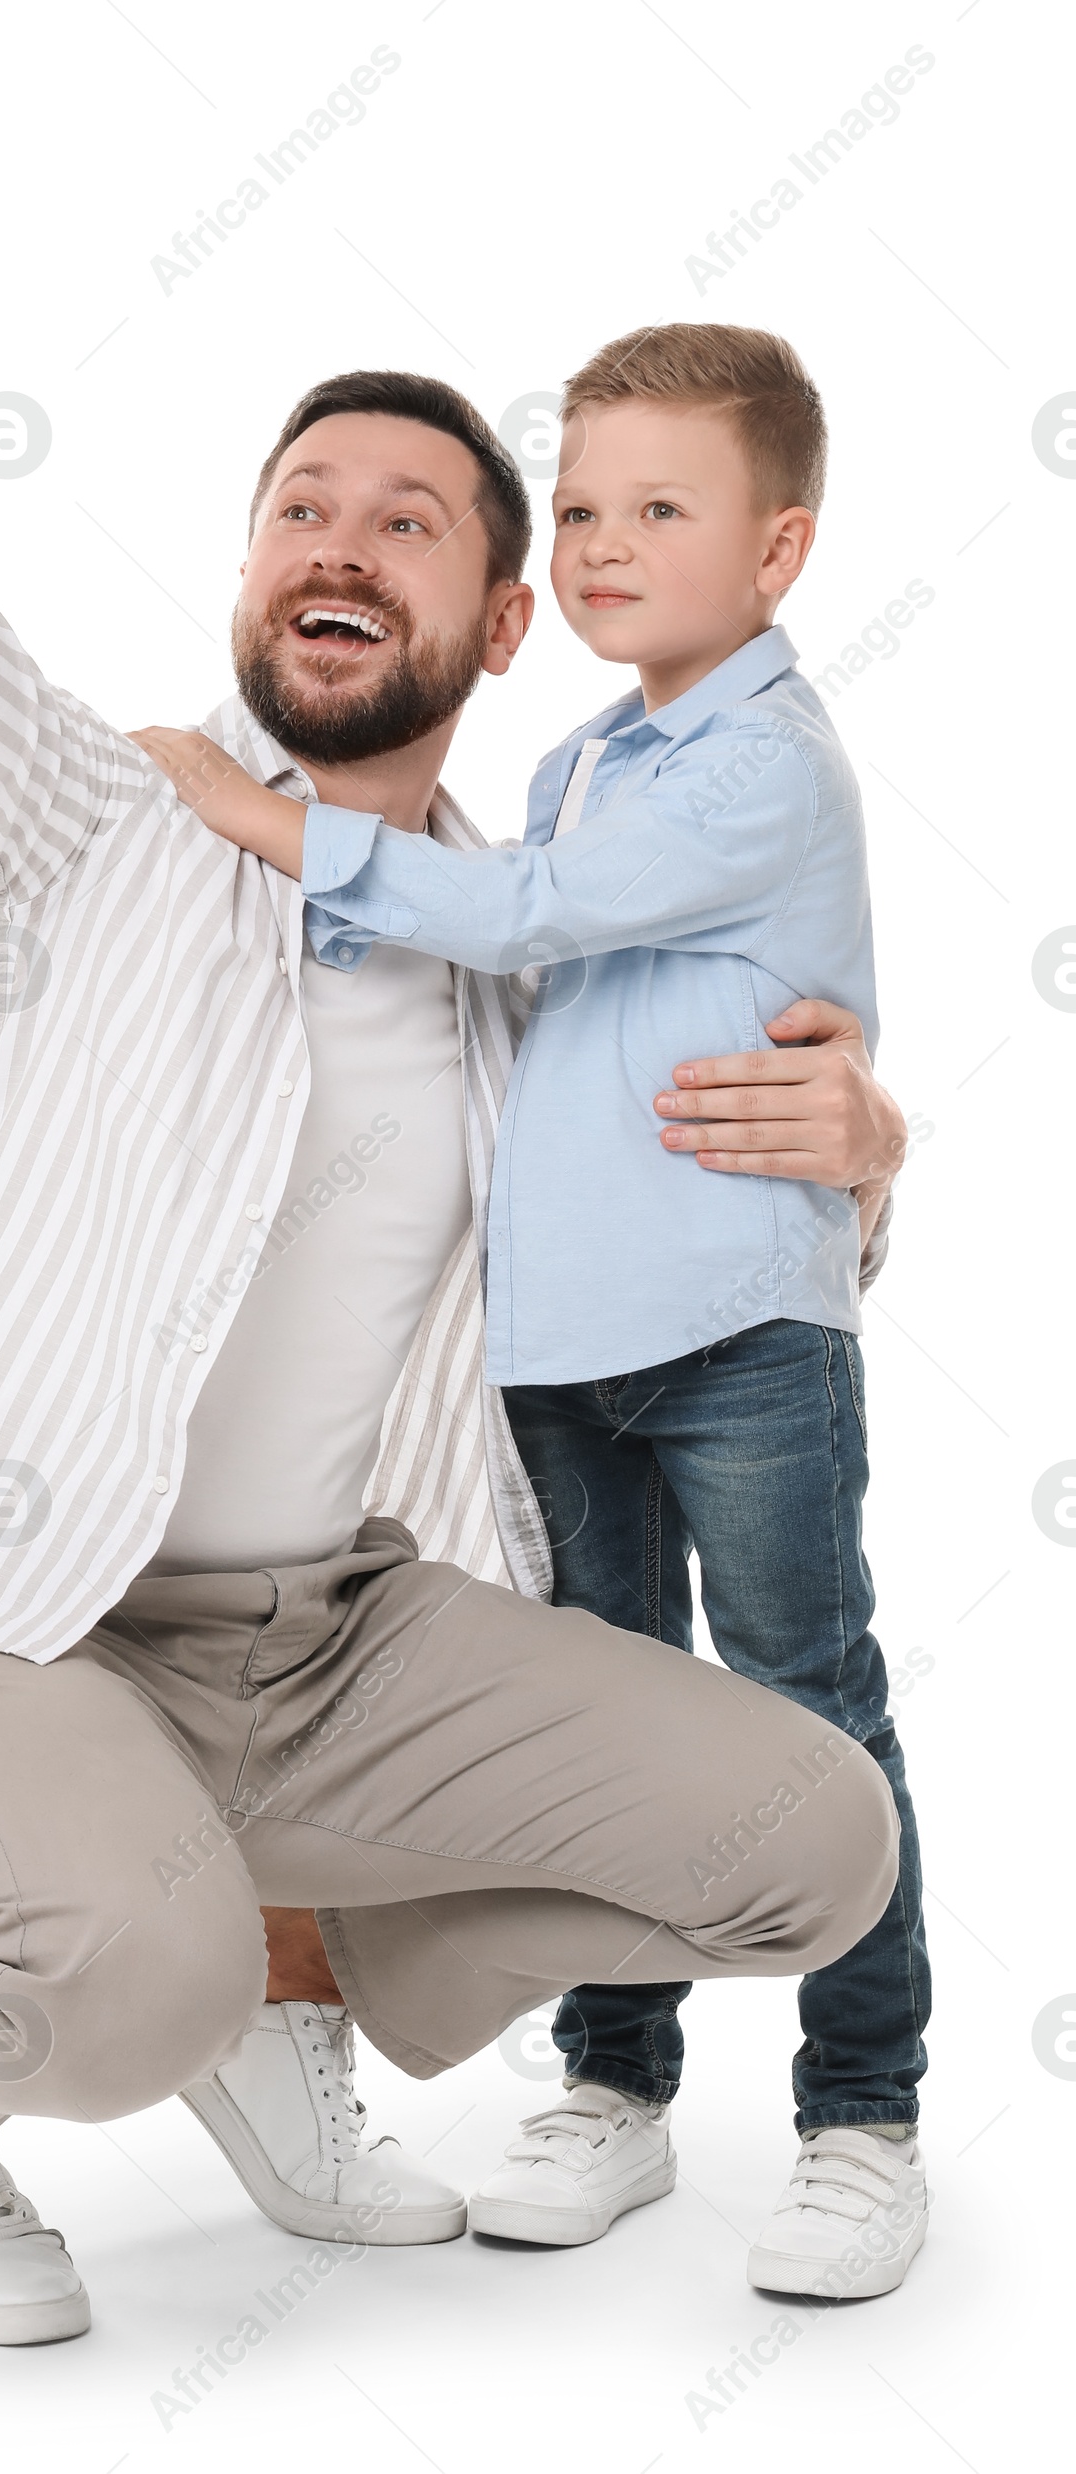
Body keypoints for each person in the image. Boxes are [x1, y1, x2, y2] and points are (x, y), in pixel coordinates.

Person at [0, 112, 910, 2347]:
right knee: (118, 1961)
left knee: (811, 1836)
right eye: (298, 508)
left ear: (499, 623)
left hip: (323, 1643)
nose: (339, 538)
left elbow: (687, 1238)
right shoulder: (86, 813)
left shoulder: (533, 958)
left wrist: (858, 1156)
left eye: (407, 523)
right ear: (242, 580)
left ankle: (274, 1971)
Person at [145, 323, 929, 2299]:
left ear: (778, 551)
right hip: (561, 1357)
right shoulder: (580, 759)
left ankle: (859, 2118)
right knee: (599, 1718)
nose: (596, 543)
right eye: (575, 507)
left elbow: (521, 925)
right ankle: (616, 2080)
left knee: (802, 1699)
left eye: (656, 509)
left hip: (737, 1346)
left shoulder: (753, 762)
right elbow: (521, 996)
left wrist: (253, 816)